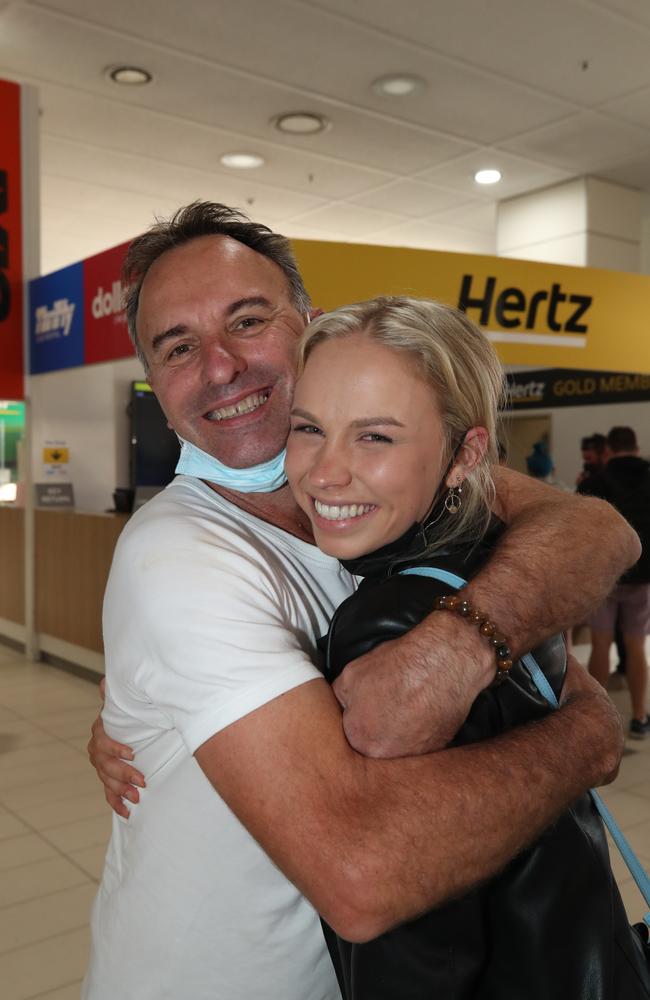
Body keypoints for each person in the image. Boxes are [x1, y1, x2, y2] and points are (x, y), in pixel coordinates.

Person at [84, 202, 634, 1000]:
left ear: (305, 325)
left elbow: (596, 527)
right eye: (178, 346)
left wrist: (463, 647)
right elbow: (362, 875)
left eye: (247, 319)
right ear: (154, 383)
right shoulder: (178, 553)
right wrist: (584, 734)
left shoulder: (350, 487)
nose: (221, 366)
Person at [284, 296, 650, 999]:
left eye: (375, 438)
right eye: (309, 428)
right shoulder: (505, 565)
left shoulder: (392, 627)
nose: (324, 472)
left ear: (465, 455)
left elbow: (411, 949)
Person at [584, 426, 650, 738]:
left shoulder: (596, 481)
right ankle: (639, 716)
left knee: (601, 644)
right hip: (643, 576)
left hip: (606, 576)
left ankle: (599, 719)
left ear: (609, 449)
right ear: (636, 447)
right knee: (637, 646)